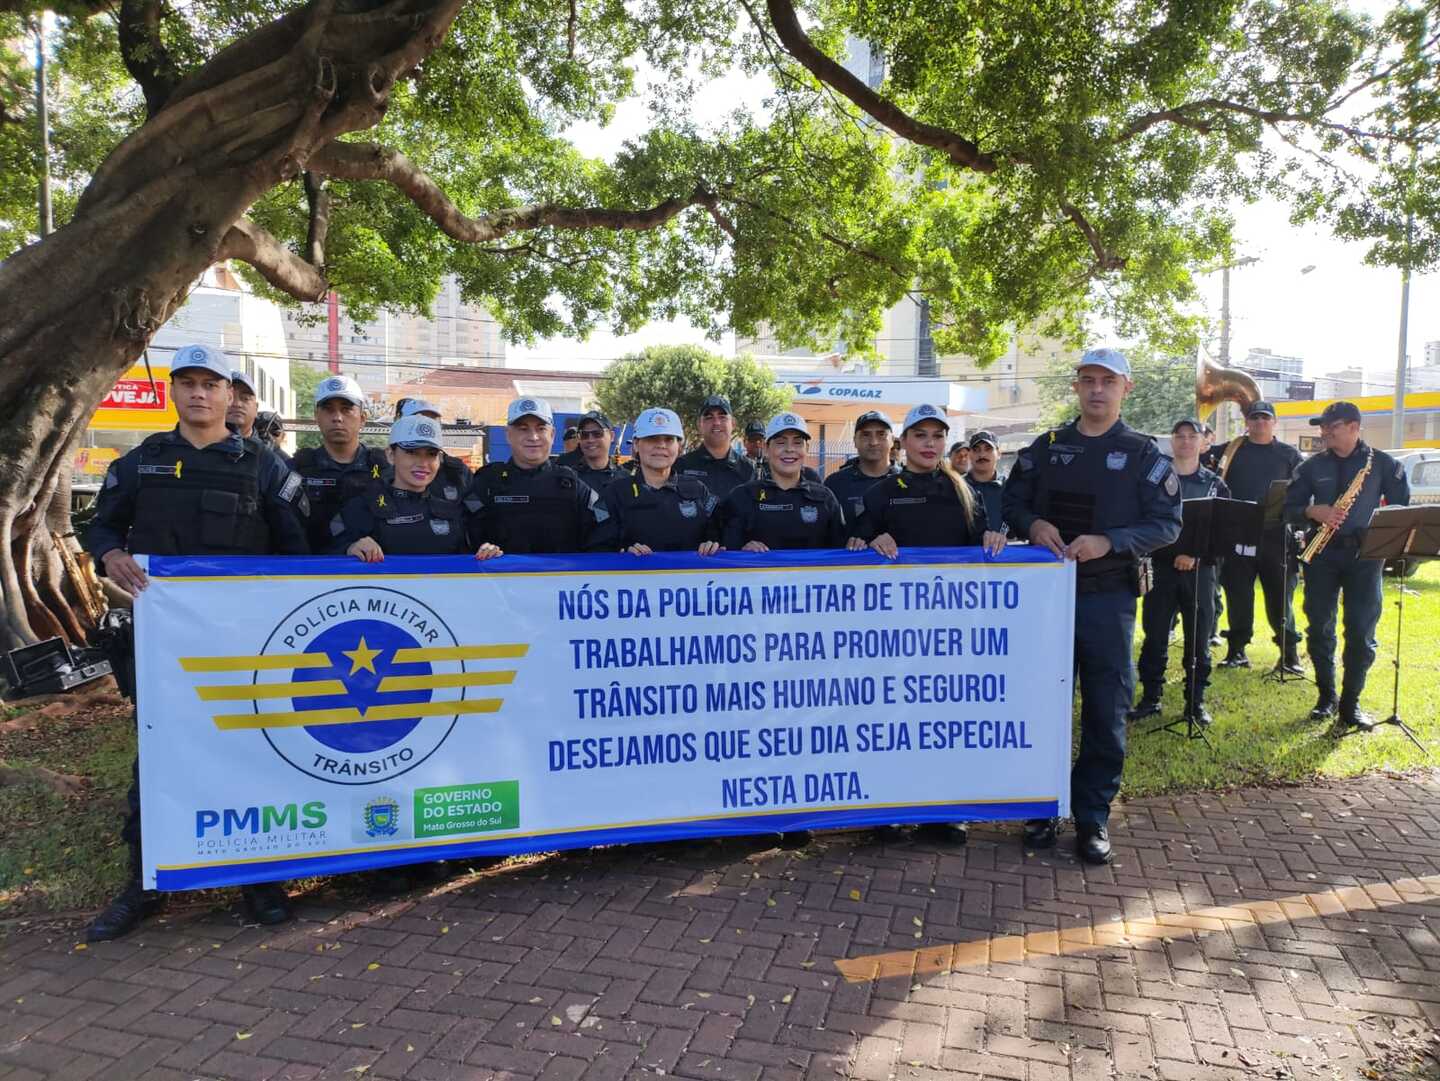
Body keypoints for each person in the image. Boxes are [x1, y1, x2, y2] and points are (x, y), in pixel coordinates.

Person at [83, 343, 311, 941]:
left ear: (230, 394)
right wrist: (109, 554)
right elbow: (101, 524)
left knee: (253, 752)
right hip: (163, 644)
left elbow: (297, 550)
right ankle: (146, 882)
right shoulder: (142, 461)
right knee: (158, 757)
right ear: (174, 392)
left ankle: (258, 877)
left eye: (211, 383)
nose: (199, 393)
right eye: (187, 382)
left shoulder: (264, 465)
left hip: (247, 643)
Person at [1002, 348, 1182, 865]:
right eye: (1087, 380)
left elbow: (1167, 523)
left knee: (1106, 709)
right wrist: (1033, 525)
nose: (1096, 389)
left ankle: (1092, 815)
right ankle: (1040, 806)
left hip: (1109, 598)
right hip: (1045, 602)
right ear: (1076, 387)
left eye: (1107, 381)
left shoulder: (1144, 455)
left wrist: (1111, 540)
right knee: (1040, 705)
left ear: (1126, 387)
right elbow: (1012, 503)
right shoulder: (1048, 446)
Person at [848, 403, 1008, 846]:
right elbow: (855, 541)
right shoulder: (882, 492)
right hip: (893, 629)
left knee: (945, 719)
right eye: (921, 436)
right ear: (905, 442)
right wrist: (869, 540)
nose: (930, 444)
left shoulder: (964, 491)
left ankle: (947, 810)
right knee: (894, 718)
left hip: (949, 628)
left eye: (937, 436)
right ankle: (890, 808)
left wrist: (994, 540)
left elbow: (982, 541)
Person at [1285, 401, 1410, 730]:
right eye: (1323, 427)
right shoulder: (1311, 467)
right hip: (1321, 556)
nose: (1324, 433)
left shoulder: (1382, 464)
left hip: (1365, 558)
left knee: (1361, 631)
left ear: (1354, 427)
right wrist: (1315, 512)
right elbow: (1288, 507)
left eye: (1332, 427)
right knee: (1319, 627)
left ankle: (1350, 705)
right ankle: (1326, 697)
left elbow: (1401, 508)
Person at [1129, 419, 1230, 727]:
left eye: (1192, 436)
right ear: (1172, 441)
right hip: (1160, 570)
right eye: (1179, 436)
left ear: (1203, 442)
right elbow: (1143, 523)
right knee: (1155, 636)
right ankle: (1151, 699)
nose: (1185, 441)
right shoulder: (1154, 479)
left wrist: (1197, 557)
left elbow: (1225, 532)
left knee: (1198, 641)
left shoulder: (1215, 484)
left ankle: (1195, 704)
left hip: (1199, 573)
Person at [1213, 401, 1303, 671]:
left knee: (1280, 596)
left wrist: (1301, 526)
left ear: (1274, 422)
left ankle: (1289, 654)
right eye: (1254, 418)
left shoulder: (1290, 455)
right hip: (1238, 533)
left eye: (1265, 418)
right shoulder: (1231, 450)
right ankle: (1237, 651)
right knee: (1238, 594)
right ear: (1247, 422)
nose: (1260, 422)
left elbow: (1302, 493)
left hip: (1277, 535)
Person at [465, 398, 611, 557]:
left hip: (561, 579)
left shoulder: (571, 484)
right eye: (523, 429)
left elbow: (606, 525)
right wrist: (483, 549)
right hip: (499, 579)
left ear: (552, 435)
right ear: (508, 435)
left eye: (541, 429)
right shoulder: (486, 482)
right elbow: (462, 532)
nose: (533, 437)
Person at [331, 415, 475, 559]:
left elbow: (468, 561)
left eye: (431, 454)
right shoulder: (362, 507)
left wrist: (487, 553)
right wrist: (350, 548)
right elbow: (325, 554)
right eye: (412, 452)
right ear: (390, 455)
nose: (423, 463)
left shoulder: (452, 510)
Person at [722, 413, 847, 554]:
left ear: (807, 448)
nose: (789, 449)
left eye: (797, 443)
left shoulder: (825, 499)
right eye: (781, 442)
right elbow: (725, 553)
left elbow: (841, 552)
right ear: (766, 448)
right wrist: (741, 550)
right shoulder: (742, 497)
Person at [602, 407, 721, 555]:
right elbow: (597, 547)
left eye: (669, 439)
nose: (661, 445)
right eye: (652, 438)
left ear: (679, 447)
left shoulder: (698, 490)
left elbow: (721, 538)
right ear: (636, 445)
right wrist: (623, 553)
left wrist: (712, 545)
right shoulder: (614, 494)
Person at [293, 375, 386, 554]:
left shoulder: (382, 469)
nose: (337, 418)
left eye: (346, 410)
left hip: (378, 575)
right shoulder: (297, 469)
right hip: (315, 573)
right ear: (316, 417)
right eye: (328, 410)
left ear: (363, 418)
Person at [675, 394, 755, 503]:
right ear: (699, 424)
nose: (716, 423)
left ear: (733, 423)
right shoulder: (681, 466)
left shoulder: (749, 469)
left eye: (722, 417)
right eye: (709, 417)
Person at [824, 411, 899, 525]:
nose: (873, 442)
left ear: (892, 440)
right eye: (865, 435)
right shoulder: (835, 483)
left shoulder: (908, 481)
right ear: (855, 441)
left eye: (881, 434)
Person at [393, 397, 472, 495]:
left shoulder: (457, 470)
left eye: (432, 421)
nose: (427, 426)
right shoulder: (380, 468)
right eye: (418, 419)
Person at [572, 409, 625, 491]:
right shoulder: (570, 479)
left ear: (612, 436)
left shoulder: (625, 479)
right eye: (584, 435)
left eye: (597, 433)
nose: (590, 440)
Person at [965, 430, 1006, 532]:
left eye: (988, 449)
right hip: (968, 548)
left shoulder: (1011, 487)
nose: (982, 455)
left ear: (999, 453)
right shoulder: (957, 487)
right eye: (976, 450)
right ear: (969, 454)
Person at [227, 369, 260, 439]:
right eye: (229, 398)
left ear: (256, 408)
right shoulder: (202, 446)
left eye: (245, 398)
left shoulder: (267, 449)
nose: (236, 404)